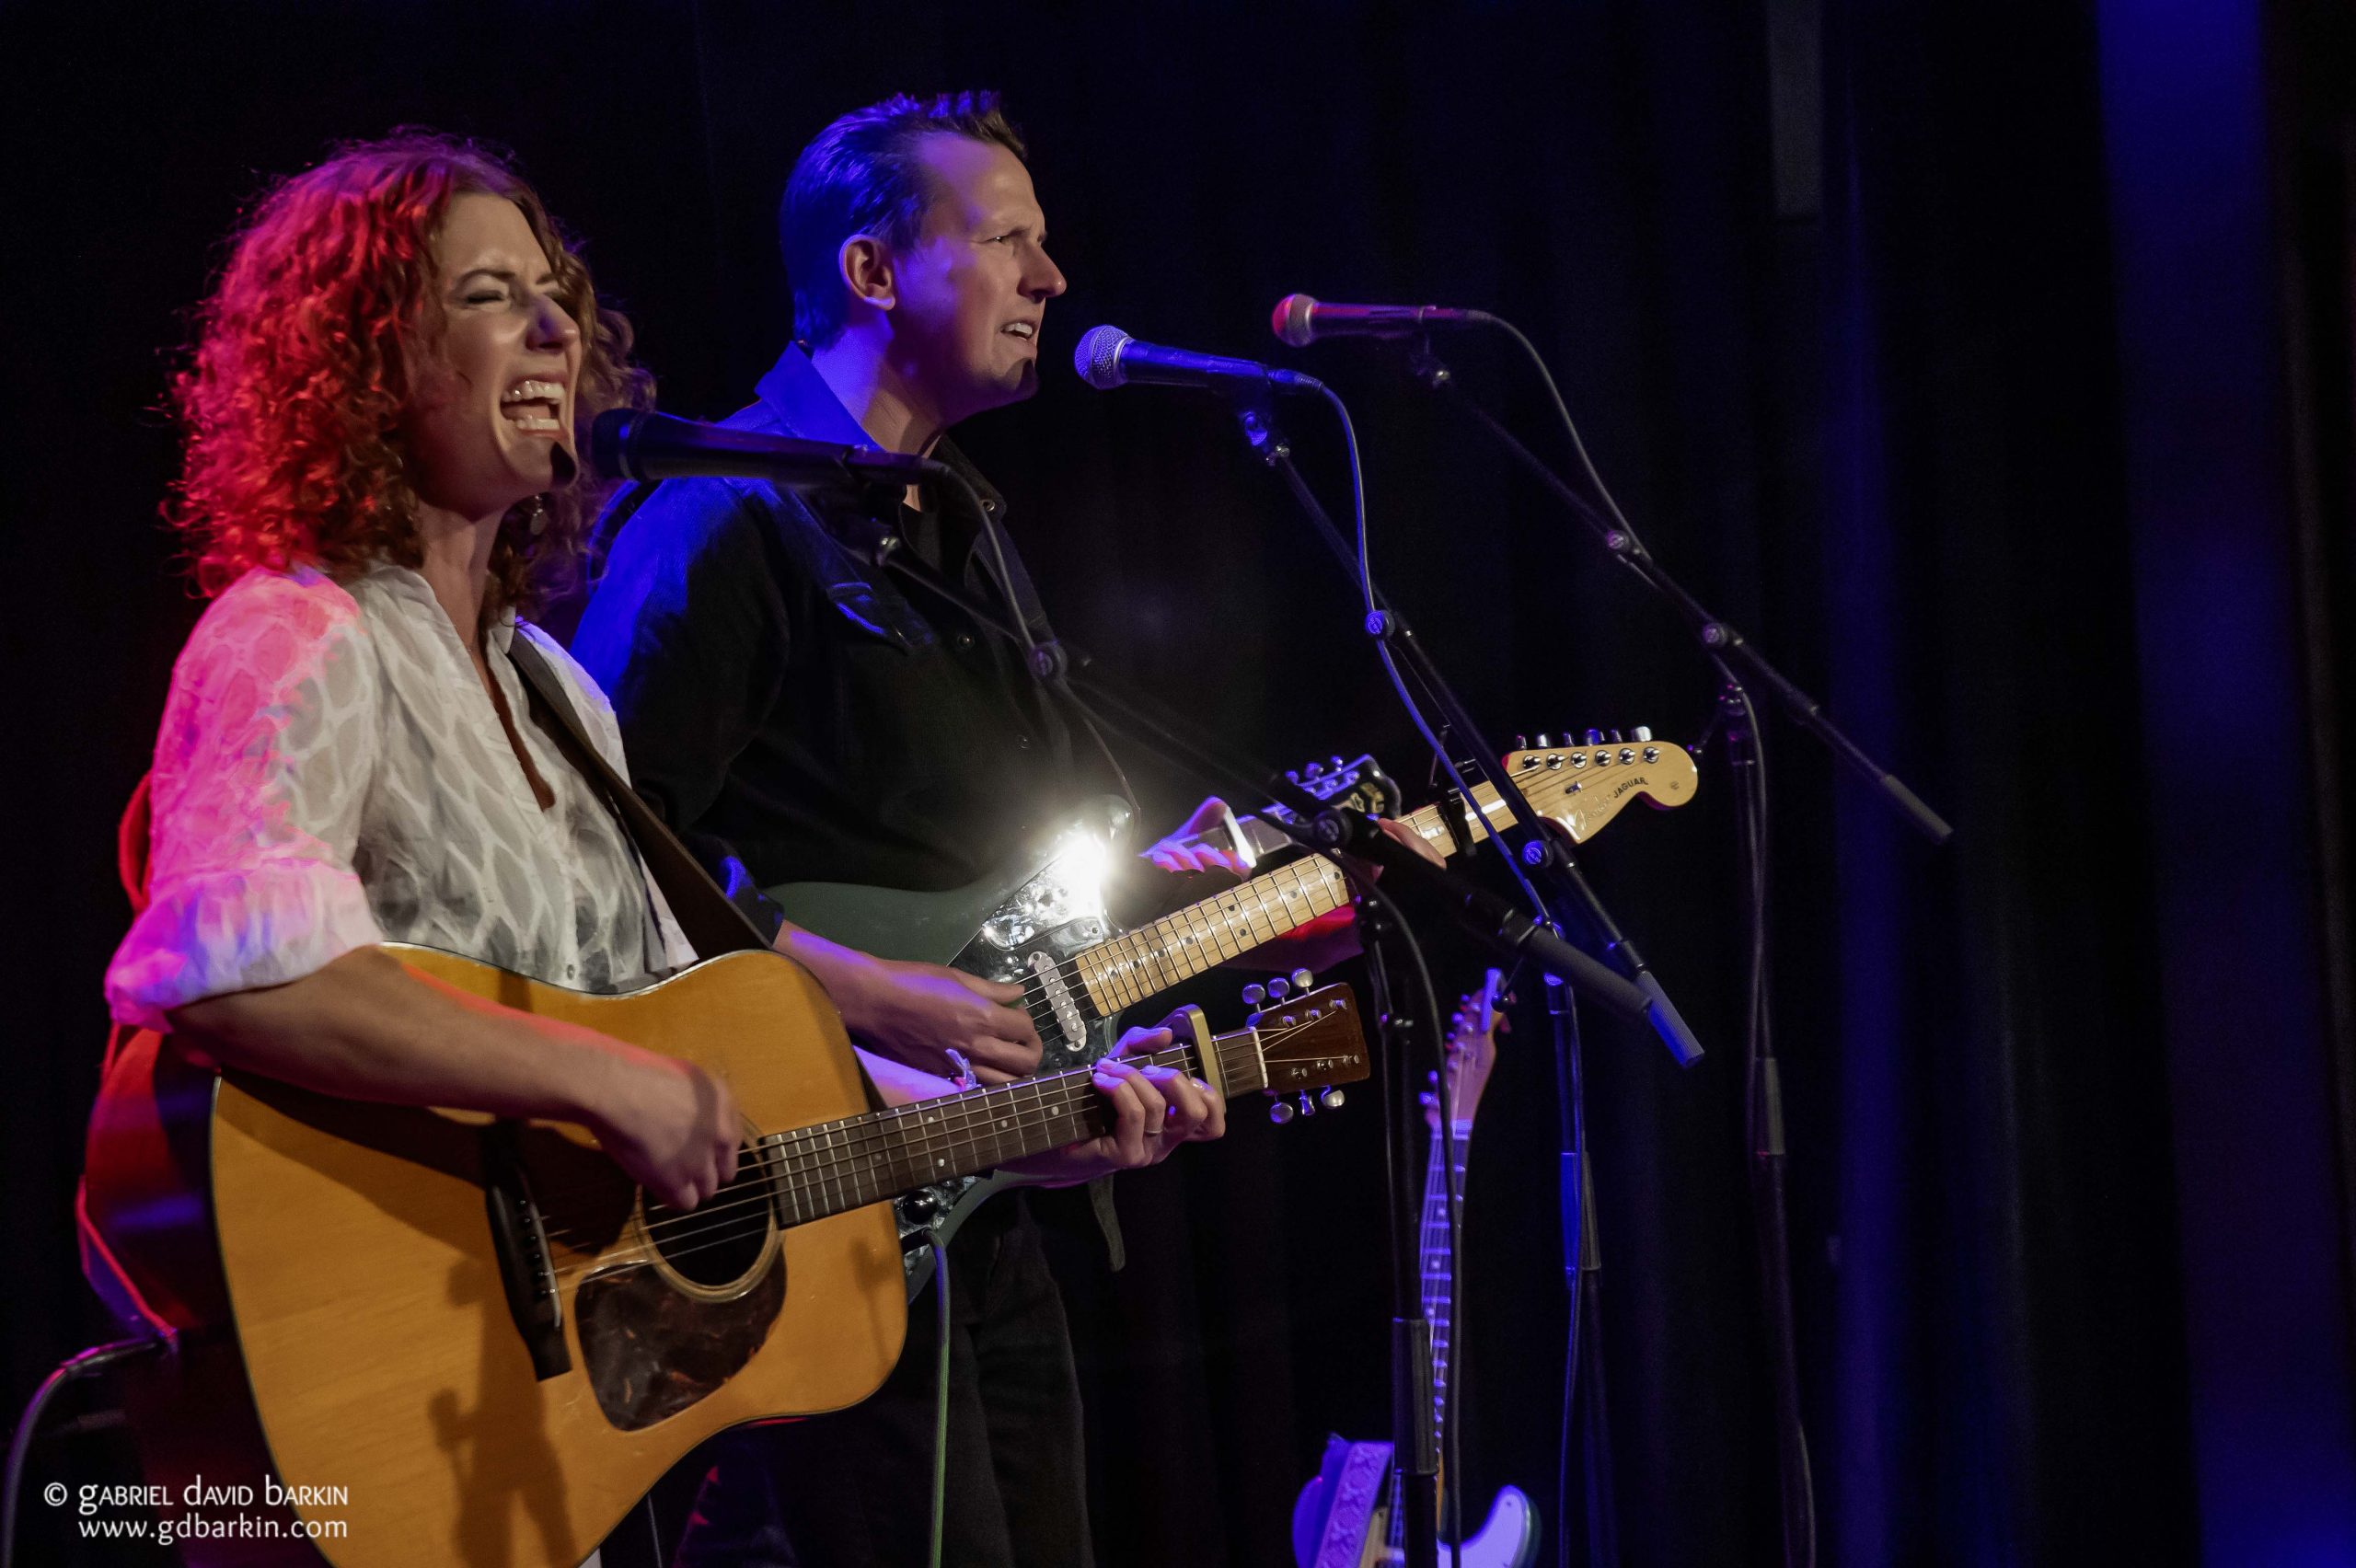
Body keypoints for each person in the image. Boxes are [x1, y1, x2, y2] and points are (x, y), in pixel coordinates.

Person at [99, 128, 1204, 1360]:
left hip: (549, 1386)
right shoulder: (298, 634)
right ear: (368, 365)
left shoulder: (552, 694)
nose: (554, 332)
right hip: (387, 1339)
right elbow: (239, 975)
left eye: (552, 297)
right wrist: (599, 1083)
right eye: (485, 298)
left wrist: (995, 1124)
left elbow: (673, 1031)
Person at [570, 90, 1416, 1567]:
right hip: (801, 1208)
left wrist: (1222, 887)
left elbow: (994, 886)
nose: (1053, 278)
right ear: (874, 274)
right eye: (1011, 240)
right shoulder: (720, 524)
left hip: (983, 1197)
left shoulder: (957, 520)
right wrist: (875, 994)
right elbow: (601, 870)